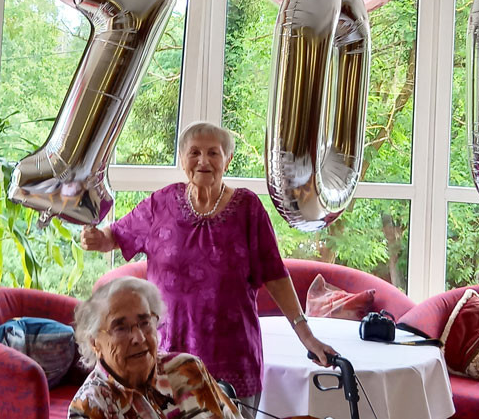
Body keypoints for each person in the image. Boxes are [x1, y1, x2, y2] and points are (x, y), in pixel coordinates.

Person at [81, 121, 335, 415]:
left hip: (233, 360)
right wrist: (96, 237)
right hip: (167, 362)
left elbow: (275, 275)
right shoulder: (161, 204)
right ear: (182, 160)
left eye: (213, 153)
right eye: (195, 153)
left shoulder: (248, 209)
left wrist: (306, 335)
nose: (203, 161)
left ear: (227, 160)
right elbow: (116, 236)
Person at [70, 276, 240, 419]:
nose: (139, 337)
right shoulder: (90, 407)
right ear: (94, 342)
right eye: (120, 328)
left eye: (144, 323)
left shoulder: (188, 368)